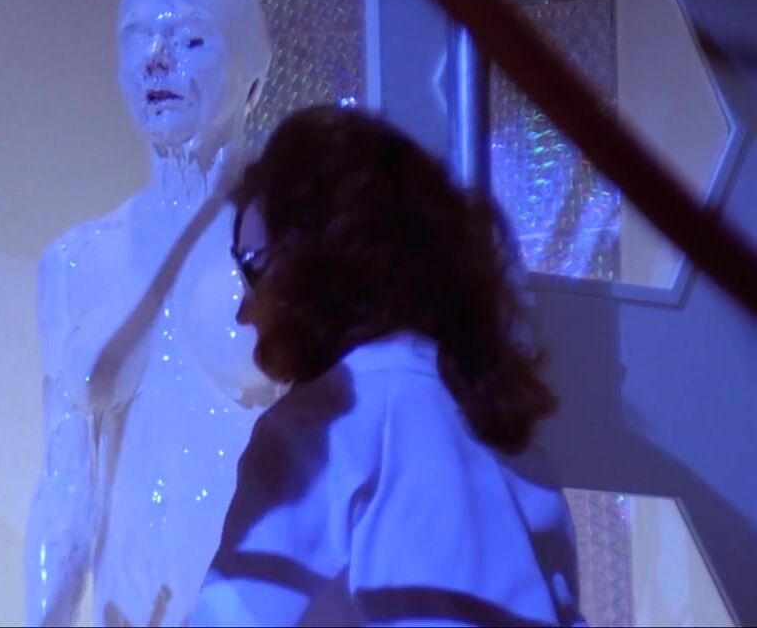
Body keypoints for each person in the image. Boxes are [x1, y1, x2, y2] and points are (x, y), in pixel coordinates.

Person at [191, 106, 585, 626]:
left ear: (317, 258)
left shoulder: (324, 426)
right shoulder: (505, 434)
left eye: (252, 267)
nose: (245, 309)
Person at [24, 0, 282, 627]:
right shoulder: (77, 260)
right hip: (131, 608)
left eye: (190, 39)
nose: (156, 61)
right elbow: (65, 484)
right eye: (136, 39)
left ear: (251, 68)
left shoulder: (292, 245)